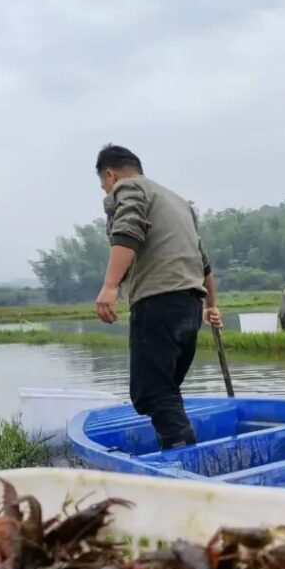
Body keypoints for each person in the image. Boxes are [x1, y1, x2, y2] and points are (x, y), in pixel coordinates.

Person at [93, 144, 222, 450]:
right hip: (189, 306)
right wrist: (211, 307)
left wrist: (110, 286)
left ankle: (182, 452)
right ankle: (180, 444)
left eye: (103, 185)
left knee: (151, 391)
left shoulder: (129, 189)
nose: (106, 191)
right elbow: (203, 263)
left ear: (110, 175)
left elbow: (129, 229)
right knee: (164, 389)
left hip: (158, 302)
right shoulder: (178, 203)